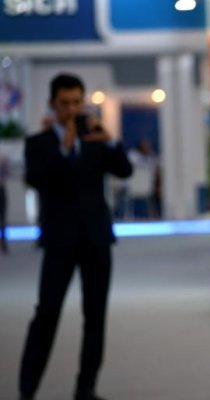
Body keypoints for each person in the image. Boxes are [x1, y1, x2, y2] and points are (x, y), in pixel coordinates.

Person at [19, 73, 133, 400]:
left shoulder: (96, 139)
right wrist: (64, 147)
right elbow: (37, 179)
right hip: (59, 241)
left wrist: (110, 140)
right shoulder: (38, 143)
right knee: (46, 314)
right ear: (52, 104)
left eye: (76, 102)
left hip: (97, 238)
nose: (70, 109)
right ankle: (27, 391)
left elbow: (124, 170)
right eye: (64, 103)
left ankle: (86, 389)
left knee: (95, 317)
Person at [0, 149, 9, 253]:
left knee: (3, 218)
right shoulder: (2, 157)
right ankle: (3, 242)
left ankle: (3, 242)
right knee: (3, 217)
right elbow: (6, 173)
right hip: (1, 188)